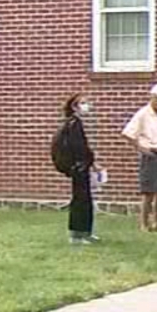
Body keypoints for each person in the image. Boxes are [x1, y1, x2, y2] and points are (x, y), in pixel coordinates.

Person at [122, 84, 157, 232]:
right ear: (152, 97)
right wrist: (142, 149)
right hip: (151, 154)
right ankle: (144, 223)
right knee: (149, 191)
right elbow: (128, 133)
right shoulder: (143, 114)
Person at [57, 93, 98, 245]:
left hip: (82, 166)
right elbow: (79, 147)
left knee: (86, 199)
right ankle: (77, 234)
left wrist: (92, 162)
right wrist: (85, 162)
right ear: (75, 106)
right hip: (79, 168)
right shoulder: (74, 123)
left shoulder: (76, 123)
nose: (86, 106)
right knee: (80, 200)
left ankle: (86, 231)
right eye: (83, 103)